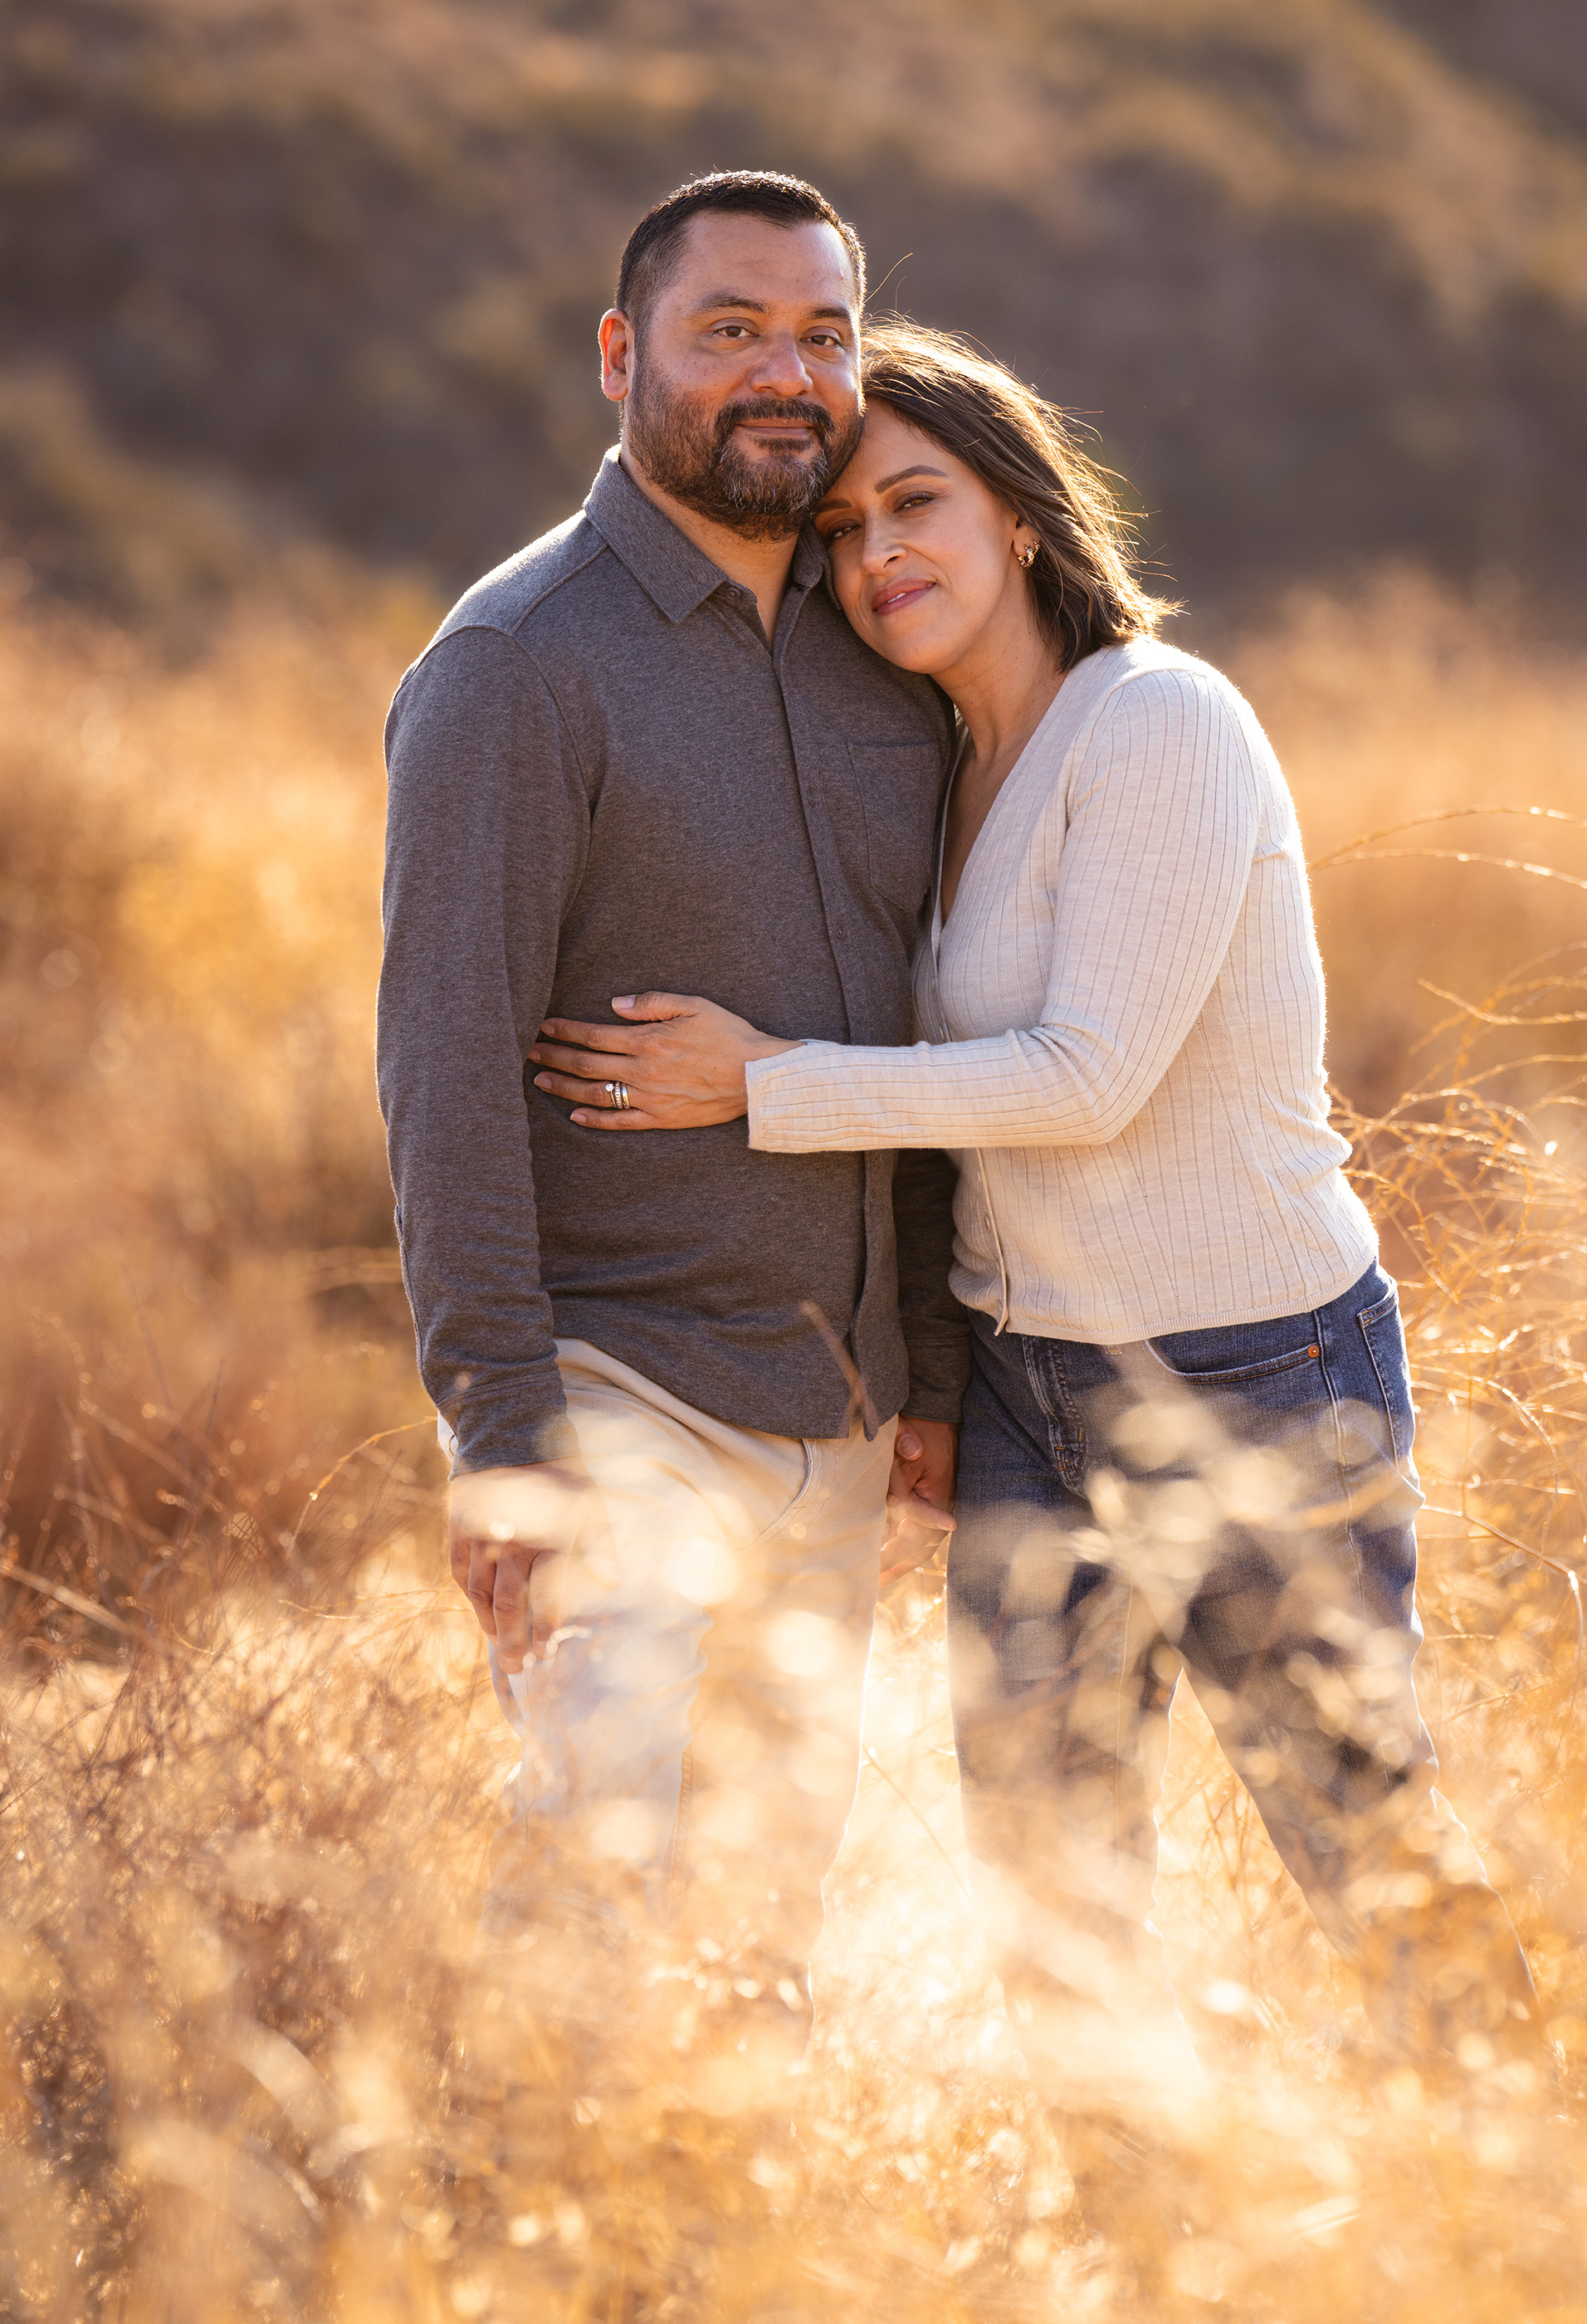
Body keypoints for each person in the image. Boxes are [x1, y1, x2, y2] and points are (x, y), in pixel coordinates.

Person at [522, 324, 1548, 2125]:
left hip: (1248, 1365)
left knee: (1355, 1831)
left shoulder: (1157, 719)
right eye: (839, 528)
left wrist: (764, 1080)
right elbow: (969, 1138)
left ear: (1019, 509)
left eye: (913, 503)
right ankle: (1131, 2227)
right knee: (1049, 1873)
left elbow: (1086, 1079)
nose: (874, 555)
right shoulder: (943, 765)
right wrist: (929, 1366)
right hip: (1023, 1388)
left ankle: (1540, 2170)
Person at [376, 177, 970, 2094]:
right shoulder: (516, 664)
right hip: (622, 1382)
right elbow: (443, 1069)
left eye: (820, 333)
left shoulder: (879, 655)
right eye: (732, 330)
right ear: (625, 357)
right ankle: (488, 2240)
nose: (785, 375)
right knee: (596, 1877)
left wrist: (929, 1375)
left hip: (838, 1400)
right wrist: (504, 1441)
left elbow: (922, 1029)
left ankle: (698, 2254)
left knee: (764, 1917)